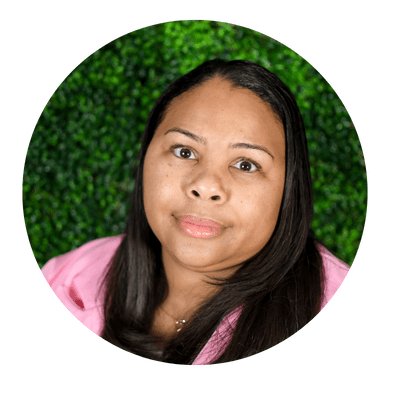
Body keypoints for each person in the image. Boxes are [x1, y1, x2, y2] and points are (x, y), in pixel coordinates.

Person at [41, 59, 350, 365]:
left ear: (290, 190)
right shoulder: (67, 277)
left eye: (246, 164)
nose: (205, 185)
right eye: (184, 151)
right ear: (145, 158)